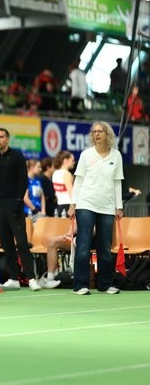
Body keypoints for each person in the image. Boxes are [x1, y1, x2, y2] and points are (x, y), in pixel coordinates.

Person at [68, 122, 124, 295]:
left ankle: (105, 284)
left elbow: (117, 183)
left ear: (107, 134)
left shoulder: (116, 156)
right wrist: (73, 204)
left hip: (107, 206)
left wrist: (119, 206)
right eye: (94, 132)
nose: (97, 134)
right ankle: (80, 285)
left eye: (100, 131)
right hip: (86, 203)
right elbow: (78, 181)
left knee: (105, 246)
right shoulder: (86, 155)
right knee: (83, 244)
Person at [0, 127, 41, 291]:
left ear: (8, 139)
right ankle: (13, 278)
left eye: (1, 137)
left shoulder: (17, 156)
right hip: (0, 204)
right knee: (6, 243)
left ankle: (31, 278)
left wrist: (18, 202)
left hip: (14, 204)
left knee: (22, 243)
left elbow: (23, 181)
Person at [52, 150, 75, 217]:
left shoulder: (55, 173)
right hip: (68, 207)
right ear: (65, 161)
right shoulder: (67, 174)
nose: (73, 162)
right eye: (72, 160)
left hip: (59, 206)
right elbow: (72, 194)